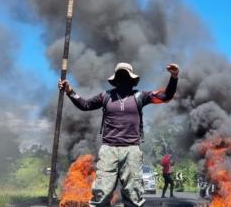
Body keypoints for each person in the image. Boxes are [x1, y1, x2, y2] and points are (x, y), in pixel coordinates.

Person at [58, 62, 179, 206]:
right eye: (120, 76)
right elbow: (85, 105)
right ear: (115, 80)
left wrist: (174, 77)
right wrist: (70, 91)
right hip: (109, 149)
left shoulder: (140, 96)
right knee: (101, 193)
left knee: (133, 194)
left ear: (132, 80)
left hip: (131, 150)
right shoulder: (105, 96)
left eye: (126, 76)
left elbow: (166, 96)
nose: (123, 79)